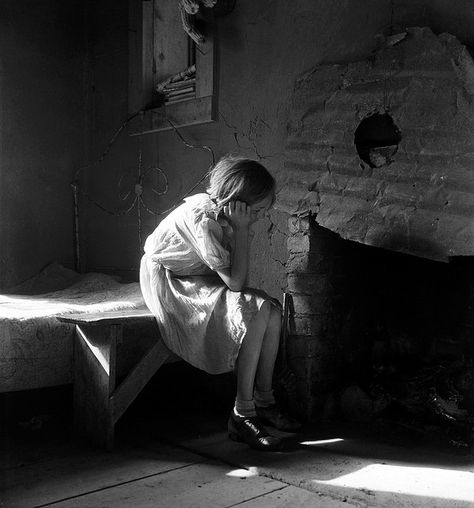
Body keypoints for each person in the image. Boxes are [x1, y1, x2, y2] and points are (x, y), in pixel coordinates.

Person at [140, 154, 301, 451]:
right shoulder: (204, 221)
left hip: (198, 276)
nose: (263, 216)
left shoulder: (224, 214)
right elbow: (237, 283)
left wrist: (241, 228)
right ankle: (243, 413)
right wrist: (242, 230)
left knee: (271, 310)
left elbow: (238, 282)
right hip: (172, 282)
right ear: (239, 202)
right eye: (260, 209)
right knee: (256, 308)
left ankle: (264, 401)